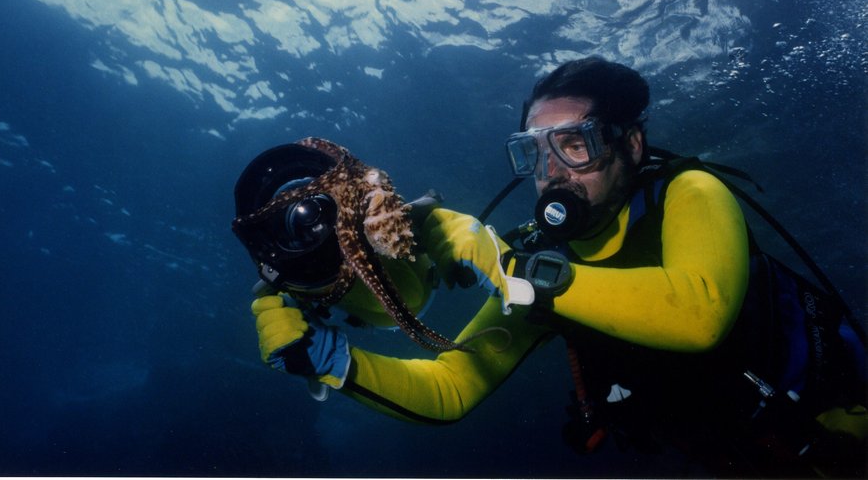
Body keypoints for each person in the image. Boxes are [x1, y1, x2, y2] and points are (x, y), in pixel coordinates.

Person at [249, 57, 866, 477]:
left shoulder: (687, 194)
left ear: (630, 144)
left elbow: (699, 312)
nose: (552, 173)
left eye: (575, 144)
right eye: (534, 153)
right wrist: (331, 360)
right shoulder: (539, 265)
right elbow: (451, 387)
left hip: (840, 422)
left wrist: (511, 268)